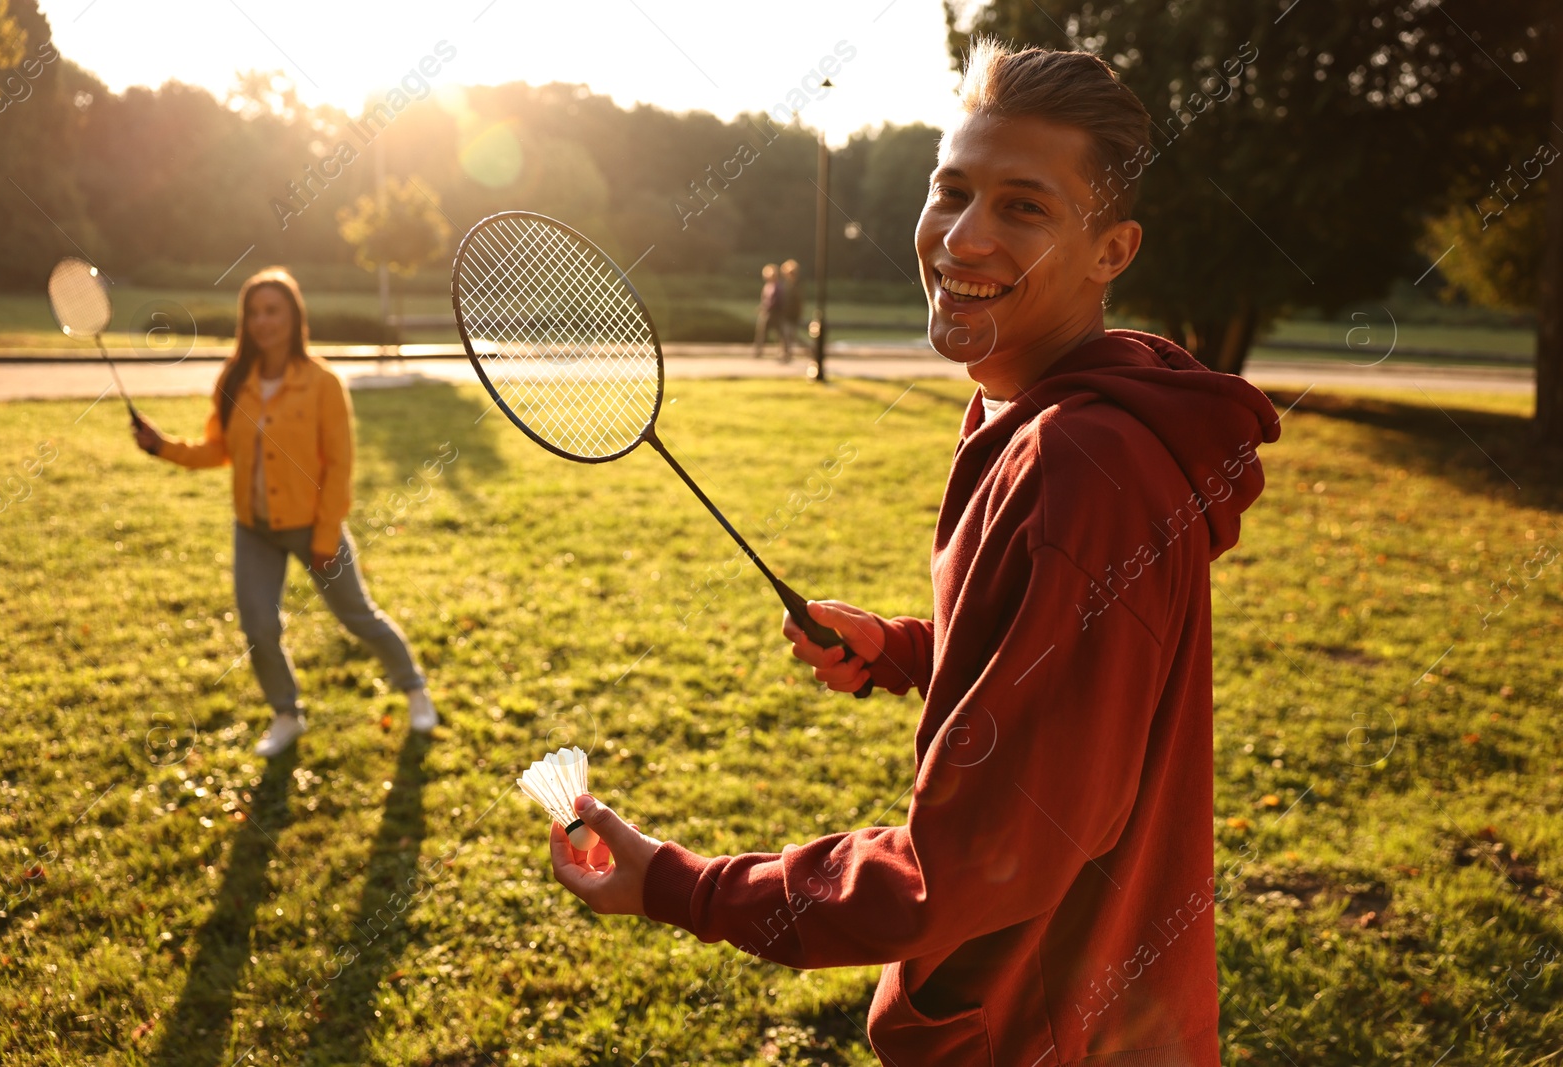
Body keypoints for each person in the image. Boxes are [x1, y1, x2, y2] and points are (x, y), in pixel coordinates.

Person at [547, 41, 1280, 1066]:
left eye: (1023, 207)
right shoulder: (1033, 415)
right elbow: (1073, 685)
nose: (961, 237)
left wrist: (677, 881)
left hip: (1042, 1033)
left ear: (1110, 250)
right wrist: (901, 649)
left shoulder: (1081, 462)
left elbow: (975, 861)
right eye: (952, 190)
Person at [132, 267, 437, 758]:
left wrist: (323, 539)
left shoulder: (322, 383)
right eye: (253, 312)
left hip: (313, 527)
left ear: (294, 316)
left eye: (272, 310)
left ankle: (415, 689)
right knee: (258, 628)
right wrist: (163, 447)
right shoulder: (235, 379)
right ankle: (286, 715)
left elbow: (339, 468)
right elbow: (217, 449)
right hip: (253, 528)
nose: (262, 321)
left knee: (359, 618)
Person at [751, 263, 781, 358]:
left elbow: (776, 301)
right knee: (762, 332)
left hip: (774, 313)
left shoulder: (777, 287)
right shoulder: (768, 286)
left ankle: (782, 351)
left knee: (779, 334)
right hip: (767, 313)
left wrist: (766, 307)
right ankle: (758, 351)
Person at [777, 259, 803, 362]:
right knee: (786, 335)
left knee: (789, 335)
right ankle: (785, 354)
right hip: (785, 314)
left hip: (791, 315)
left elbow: (797, 302)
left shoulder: (795, 286)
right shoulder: (786, 285)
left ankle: (787, 354)